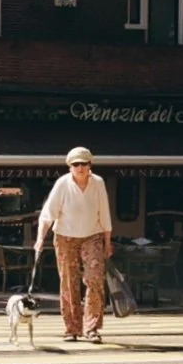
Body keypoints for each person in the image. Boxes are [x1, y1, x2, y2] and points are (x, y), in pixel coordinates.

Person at [35, 147, 113, 344]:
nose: (80, 168)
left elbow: (104, 213)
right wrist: (40, 240)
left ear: (90, 166)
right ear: (70, 167)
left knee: (94, 280)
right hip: (65, 236)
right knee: (69, 282)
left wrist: (107, 242)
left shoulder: (98, 183)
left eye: (83, 164)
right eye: (75, 164)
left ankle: (92, 327)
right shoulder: (62, 184)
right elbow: (48, 214)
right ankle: (72, 328)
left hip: (92, 235)